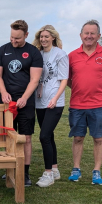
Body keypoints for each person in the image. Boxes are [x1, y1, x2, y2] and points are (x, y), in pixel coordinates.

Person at [67, 19, 102, 185]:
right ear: (81, 35)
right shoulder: (72, 56)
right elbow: (67, 79)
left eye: (92, 33)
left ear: (98, 36)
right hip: (77, 105)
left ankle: (96, 171)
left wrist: (101, 91)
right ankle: (76, 169)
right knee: (78, 138)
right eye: (86, 33)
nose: (89, 36)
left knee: (98, 139)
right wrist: (77, 88)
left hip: (99, 106)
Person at [0, 20, 43, 186]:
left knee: (26, 137)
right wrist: (4, 92)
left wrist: (24, 97)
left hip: (25, 102)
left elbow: (35, 79)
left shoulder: (34, 53)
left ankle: (25, 172)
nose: (14, 41)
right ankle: (10, 168)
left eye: (18, 38)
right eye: (12, 37)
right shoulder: (2, 50)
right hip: (7, 102)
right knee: (8, 136)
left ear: (26, 35)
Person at [31, 25, 68, 187]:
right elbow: (39, 77)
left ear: (53, 37)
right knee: (49, 135)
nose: (43, 39)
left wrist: (55, 98)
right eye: (41, 37)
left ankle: (48, 174)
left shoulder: (60, 54)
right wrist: (39, 87)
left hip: (55, 103)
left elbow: (64, 80)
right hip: (40, 102)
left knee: (44, 136)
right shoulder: (38, 54)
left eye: (46, 36)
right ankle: (54, 169)